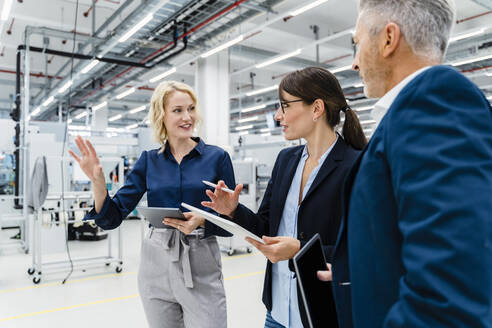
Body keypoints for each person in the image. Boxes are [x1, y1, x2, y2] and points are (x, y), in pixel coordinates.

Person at [318, 1, 492, 327]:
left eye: (357, 44)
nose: (355, 63)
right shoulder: (409, 114)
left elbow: (448, 297)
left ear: (388, 39)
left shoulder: (435, 103)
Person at [202, 67, 367, 328]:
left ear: (316, 109)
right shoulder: (286, 161)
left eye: (285, 106)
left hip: (323, 312)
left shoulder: (356, 166)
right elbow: (266, 228)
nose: (278, 116)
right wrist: (233, 210)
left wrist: (300, 251)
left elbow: (362, 250)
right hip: (278, 310)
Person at [68, 81, 235, 328]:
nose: (187, 117)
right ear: (162, 116)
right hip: (155, 262)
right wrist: (98, 182)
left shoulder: (217, 158)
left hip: (200, 260)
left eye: (190, 109)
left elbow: (232, 220)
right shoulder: (149, 161)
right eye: (177, 110)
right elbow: (111, 218)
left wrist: (203, 220)